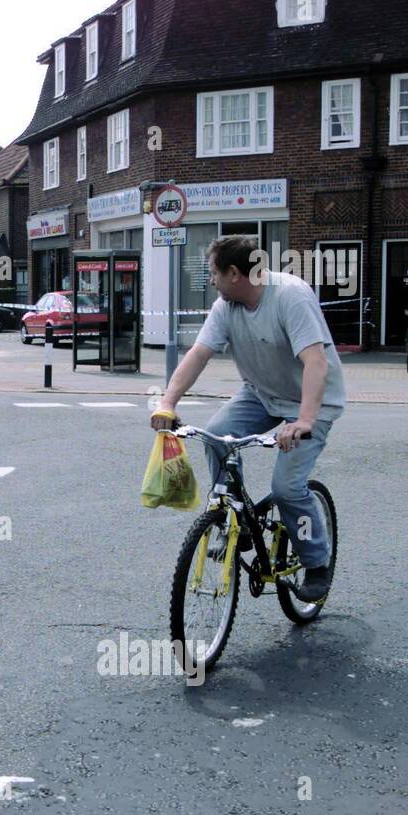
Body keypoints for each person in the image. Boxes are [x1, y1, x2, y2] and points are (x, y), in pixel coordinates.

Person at [150, 235, 346, 602]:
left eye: (214, 273)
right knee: (216, 435)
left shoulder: (290, 296)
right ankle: (230, 520)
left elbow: (316, 362)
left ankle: (317, 562)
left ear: (235, 273)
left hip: (311, 403)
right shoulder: (226, 307)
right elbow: (198, 355)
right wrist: (167, 403)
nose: (211, 280)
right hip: (260, 394)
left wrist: (304, 420)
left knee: (288, 489)